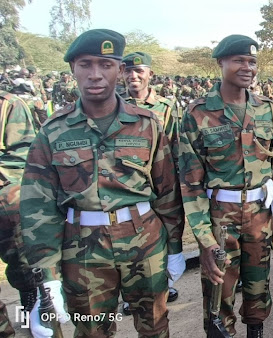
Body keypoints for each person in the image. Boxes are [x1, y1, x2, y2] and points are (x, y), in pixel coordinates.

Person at [21, 28, 182, 337]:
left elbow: (167, 192)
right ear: (72, 70)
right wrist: (48, 273)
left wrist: (174, 247)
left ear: (120, 70)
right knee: (92, 330)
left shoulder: (147, 126)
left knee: (155, 326)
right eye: (85, 64)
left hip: (143, 241)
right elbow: (37, 206)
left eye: (105, 65)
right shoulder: (53, 132)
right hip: (81, 246)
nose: (95, 74)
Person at [179, 35, 273, 338]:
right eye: (239, 60)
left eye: (252, 62)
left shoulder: (269, 109)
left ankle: (256, 330)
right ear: (220, 63)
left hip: (261, 214)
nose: (247, 67)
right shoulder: (197, 113)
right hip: (220, 218)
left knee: (258, 282)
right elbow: (190, 183)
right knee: (219, 290)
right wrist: (203, 238)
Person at [121, 51, 185, 306]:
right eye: (128, 70)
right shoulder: (114, 105)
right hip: (128, 183)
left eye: (139, 71)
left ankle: (164, 282)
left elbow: (175, 145)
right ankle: (130, 293)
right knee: (127, 235)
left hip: (161, 180)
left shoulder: (166, 107)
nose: (133, 75)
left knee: (165, 229)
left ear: (150, 75)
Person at [0, 89, 37, 338]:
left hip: (7, 199)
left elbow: (23, 154)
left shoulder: (8, 105)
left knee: (23, 268)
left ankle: (30, 317)